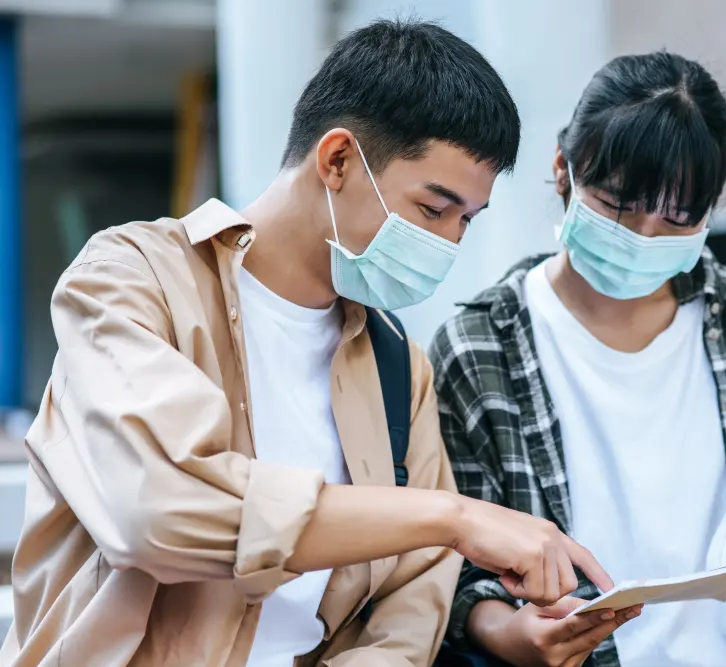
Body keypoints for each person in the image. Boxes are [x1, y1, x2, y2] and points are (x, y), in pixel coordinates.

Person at [0, 20, 612, 667]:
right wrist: (451, 516)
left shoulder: (398, 365)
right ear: (338, 159)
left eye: (467, 218)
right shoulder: (130, 279)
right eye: (434, 210)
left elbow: (413, 599)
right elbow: (154, 511)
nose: (450, 242)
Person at [430, 50, 726, 667]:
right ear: (562, 171)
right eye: (615, 207)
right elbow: (457, 580)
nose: (644, 239)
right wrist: (516, 639)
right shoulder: (480, 349)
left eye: (678, 219)